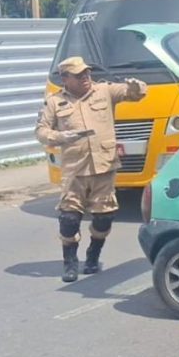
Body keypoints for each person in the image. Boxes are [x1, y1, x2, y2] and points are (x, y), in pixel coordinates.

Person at [35, 56, 146, 283]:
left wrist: (137, 87)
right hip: (74, 170)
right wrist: (60, 136)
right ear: (65, 79)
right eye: (78, 75)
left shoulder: (104, 91)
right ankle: (70, 262)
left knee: (104, 217)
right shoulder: (55, 102)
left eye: (86, 73)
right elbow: (41, 131)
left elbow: (134, 94)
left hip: (103, 166)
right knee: (69, 219)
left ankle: (93, 255)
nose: (85, 77)